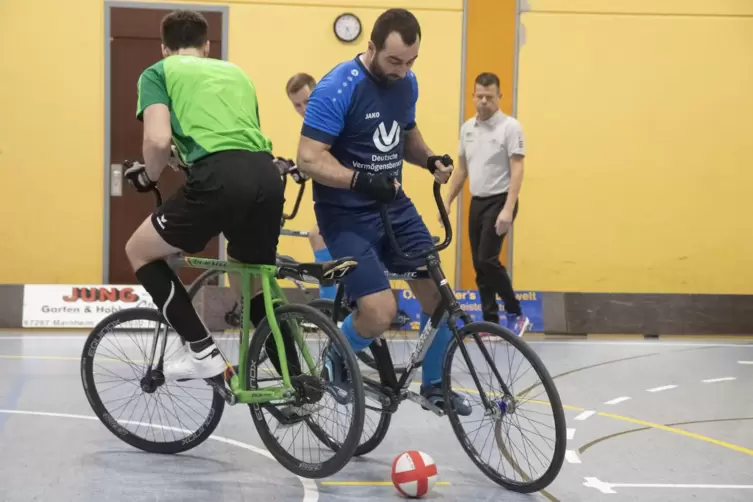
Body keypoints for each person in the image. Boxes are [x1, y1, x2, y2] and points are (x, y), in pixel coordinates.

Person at [297, 8, 471, 415]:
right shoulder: (339, 87)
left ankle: (434, 387)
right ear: (371, 47)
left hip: (394, 206)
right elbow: (308, 159)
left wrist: (429, 160)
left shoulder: (406, 83)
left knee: (441, 295)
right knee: (380, 312)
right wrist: (359, 180)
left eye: (411, 62)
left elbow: (405, 134)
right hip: (345, 214)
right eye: (394, 61)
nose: (402, 70)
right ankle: (337, 356)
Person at [124, 9, 285, 381]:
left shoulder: (158, 72)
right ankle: (296, 381)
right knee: (251, 280)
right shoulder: (236, 73)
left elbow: (158, 139)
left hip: (221, 179)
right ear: (207, 46)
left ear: (165, 49)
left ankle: (201, 350)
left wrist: (150, 175)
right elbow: (235, 137)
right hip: (266, 174)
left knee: (140, 251)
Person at [442, 72, 531, 335]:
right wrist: (447, 200)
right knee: (479, 264)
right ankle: (490, 322)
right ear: (473, 96)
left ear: (499, 97)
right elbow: (461, 169)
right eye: (479, 96)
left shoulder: (510, 127)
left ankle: (516, 314)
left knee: (487, 259)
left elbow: (517, 169)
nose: (483, 101)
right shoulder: (467, 128)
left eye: (489, 97)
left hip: (501, 200)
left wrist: (507, 209)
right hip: (478, 201)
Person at [285, 72, 337, 300]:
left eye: (307, 101)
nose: (303, 109)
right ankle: (331, 304)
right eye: (297, 105)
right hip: (331, 199)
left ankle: (329, 307)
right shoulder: (311, 125)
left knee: (317, 235)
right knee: (317, 236)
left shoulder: (331, 117)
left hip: (348, 196)